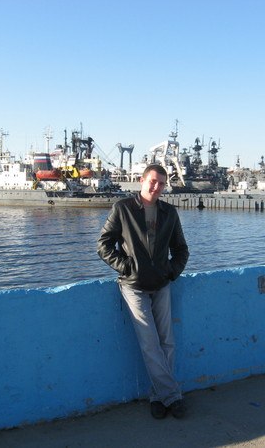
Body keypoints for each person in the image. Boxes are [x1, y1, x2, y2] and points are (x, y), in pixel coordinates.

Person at [97, 164, 189, 419]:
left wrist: (171, 271)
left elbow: (181, 249)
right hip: (134, 286)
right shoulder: (123, 208)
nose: (156, 187)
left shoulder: (169, 212)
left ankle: (158, 397)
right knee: (150, 343)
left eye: (161, 183)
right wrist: (127, 268)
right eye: (152, 181)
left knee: (167, 342)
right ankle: (173, 396)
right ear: (141, 180)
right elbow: (103, 245)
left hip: (161, 283)